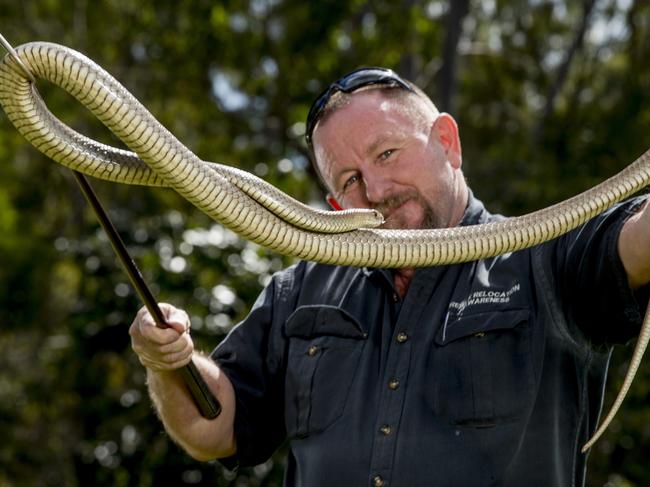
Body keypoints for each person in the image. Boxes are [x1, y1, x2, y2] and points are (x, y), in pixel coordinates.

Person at [129, 67, 650, 486]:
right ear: (335, 203)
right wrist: (168, 363)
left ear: (447, 142)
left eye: (387, 153)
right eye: (350, 180)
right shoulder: (301, 290)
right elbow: (211, 426)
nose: (374, 190)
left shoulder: (544, 254)